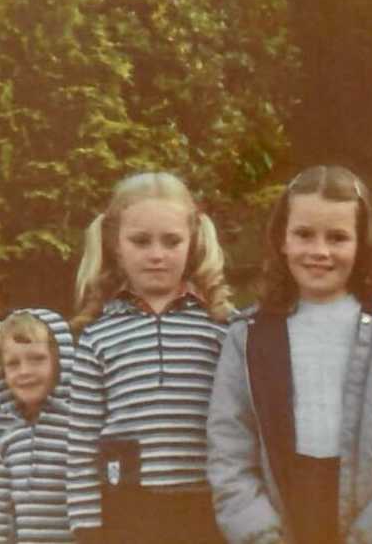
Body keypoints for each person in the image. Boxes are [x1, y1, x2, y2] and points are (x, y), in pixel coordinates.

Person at [207, 165, 372, 544]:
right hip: (282, 513)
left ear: (362, 244)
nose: (319, 251)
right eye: (303, 234)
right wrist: (260, 535)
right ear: (282, 239)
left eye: (337, 237)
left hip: (368, 516)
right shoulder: (247, 337)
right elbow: (229, 452)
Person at [67, 172, 236, 544]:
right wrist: (86, 524)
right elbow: (81, 440)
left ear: (192, 242)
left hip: (204, 505)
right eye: (141, 241)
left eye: (171, 241)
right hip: (127, 509)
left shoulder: (223, 328)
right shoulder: (97, 335)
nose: (156, 254)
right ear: (115, 245)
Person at [0, 308, 76, 544]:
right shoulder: (9, 440)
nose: (24, 371)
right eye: (13, 364)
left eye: (37, 359)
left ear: (60, 362)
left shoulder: (81, 431)